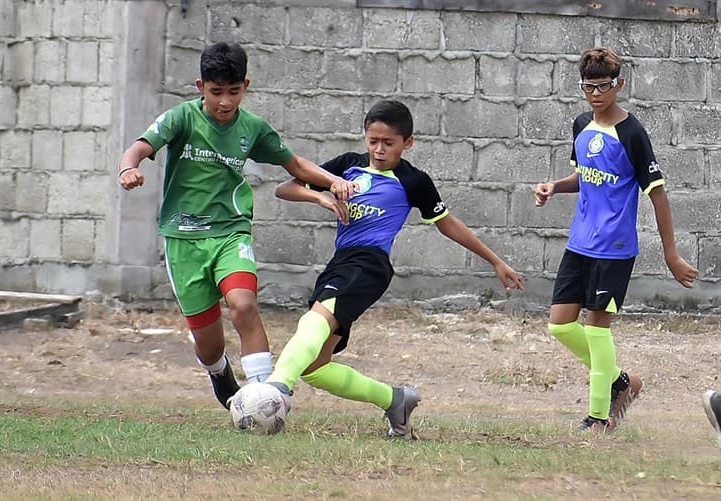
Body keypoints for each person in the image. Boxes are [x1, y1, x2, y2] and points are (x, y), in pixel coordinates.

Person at [116, 42, 355, 412]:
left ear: (246, 86)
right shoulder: (182, 118)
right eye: (216, 93)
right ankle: (219, 373)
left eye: (233, 92)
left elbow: (295, 165)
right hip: (184, 241)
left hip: (230, 233)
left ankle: (266, 399)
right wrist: (128, 168)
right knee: (209, 346)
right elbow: (140, 147)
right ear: (201, 87)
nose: (225, 102)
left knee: (243, 305)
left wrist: (330, 182)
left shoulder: (252, 128)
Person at [263, 100, 523, 437]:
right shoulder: (347, 166)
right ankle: (395, 399)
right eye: (373, 141)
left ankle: (275, 388)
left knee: (316, 318)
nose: (379, 149)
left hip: (369, 264)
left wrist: (496, 261)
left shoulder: (413, 180)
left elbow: (447, 224)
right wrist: (323, 195)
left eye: (388, 143)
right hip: (341, 261)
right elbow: (285, 188)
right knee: (315, 367)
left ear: (407, 142)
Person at [533, 47, 698, 433]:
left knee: (596, 327)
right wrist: (554, 187)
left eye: (603, 86)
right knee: (560, 325)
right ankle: (622, 382)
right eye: (588, 86)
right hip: (580, 242)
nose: (595, 93)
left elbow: (657, 194)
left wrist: (671, 255)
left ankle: (598, 418)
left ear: (618, 85)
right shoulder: (580, 126)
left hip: (615, 247)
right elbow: (585, 176)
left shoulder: (632, 133)